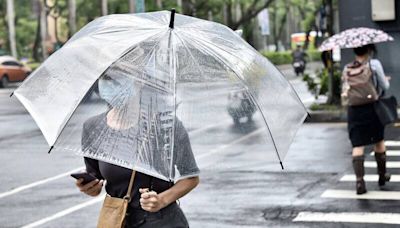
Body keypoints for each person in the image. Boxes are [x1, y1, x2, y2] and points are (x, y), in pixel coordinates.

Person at [75, 73, 200, 227]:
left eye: (117, 78)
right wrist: (90, 187)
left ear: (138, 81)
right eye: (105, 79)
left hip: (162, 222)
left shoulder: (165, 124)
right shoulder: (93, 127)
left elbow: (191, 177)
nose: (110, 84)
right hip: (118, 220)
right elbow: (96, 178)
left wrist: (162, 200)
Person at [345, 44, 391, 194]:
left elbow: (345, 90)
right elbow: (385, 86)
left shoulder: (347, 68)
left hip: (354, 110)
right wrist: (385, 80)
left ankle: (359, 182)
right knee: (378, 141)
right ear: (368, 50)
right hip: (372, 108)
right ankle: (382, 176)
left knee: (358, 145)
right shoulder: (374, 64)